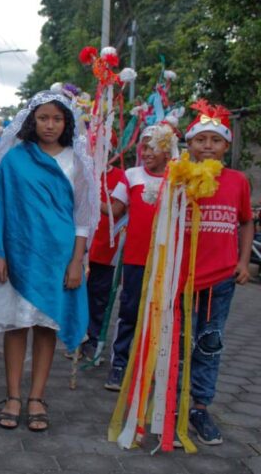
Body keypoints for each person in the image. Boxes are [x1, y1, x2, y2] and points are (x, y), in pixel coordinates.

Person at [0, 91, 96, 432]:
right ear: (32, 120)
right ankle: (12, 395)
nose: (50, 125)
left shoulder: (77, 162)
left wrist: (77, 262)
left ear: (67, 123)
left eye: (58, 119)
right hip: (17, 252)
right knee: (17, 324)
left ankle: (36, 397)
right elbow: (0, 207)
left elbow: (83, 217)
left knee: (46, 326)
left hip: (58, 259)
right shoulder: (15, 158)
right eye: (44, 118)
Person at [181, 100, 253, 445]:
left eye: (215, 140)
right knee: (179, 342)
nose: (207, 145)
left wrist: (242, 262)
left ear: (226, 145)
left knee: (209, 345)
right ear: (190, 143)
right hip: (182, 279)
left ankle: (199, 406)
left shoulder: (238, 181)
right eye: (201, 139)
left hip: (222, 279)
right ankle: (172, 404)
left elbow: (245, 222)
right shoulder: (179, 176)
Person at [103, 125, 172, 391]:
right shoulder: (131, 175)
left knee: (159, 313)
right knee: (129, 311)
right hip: (135, 258)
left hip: (167, 260)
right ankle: (119, 364)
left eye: (151, 146)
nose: (145, 152)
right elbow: (116, 211)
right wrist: (86, 197)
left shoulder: (178, 177)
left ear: (167, 150)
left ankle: (150, 365)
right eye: (143, 146)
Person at [80, 164, 125, 362]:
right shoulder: (82, 170)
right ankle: (77, 338)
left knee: (99, 298)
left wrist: (93, 199)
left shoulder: (121, 176)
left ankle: (93, 340)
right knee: (78, 295)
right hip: (79, 246)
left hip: (107, 247)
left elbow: (118, 210)